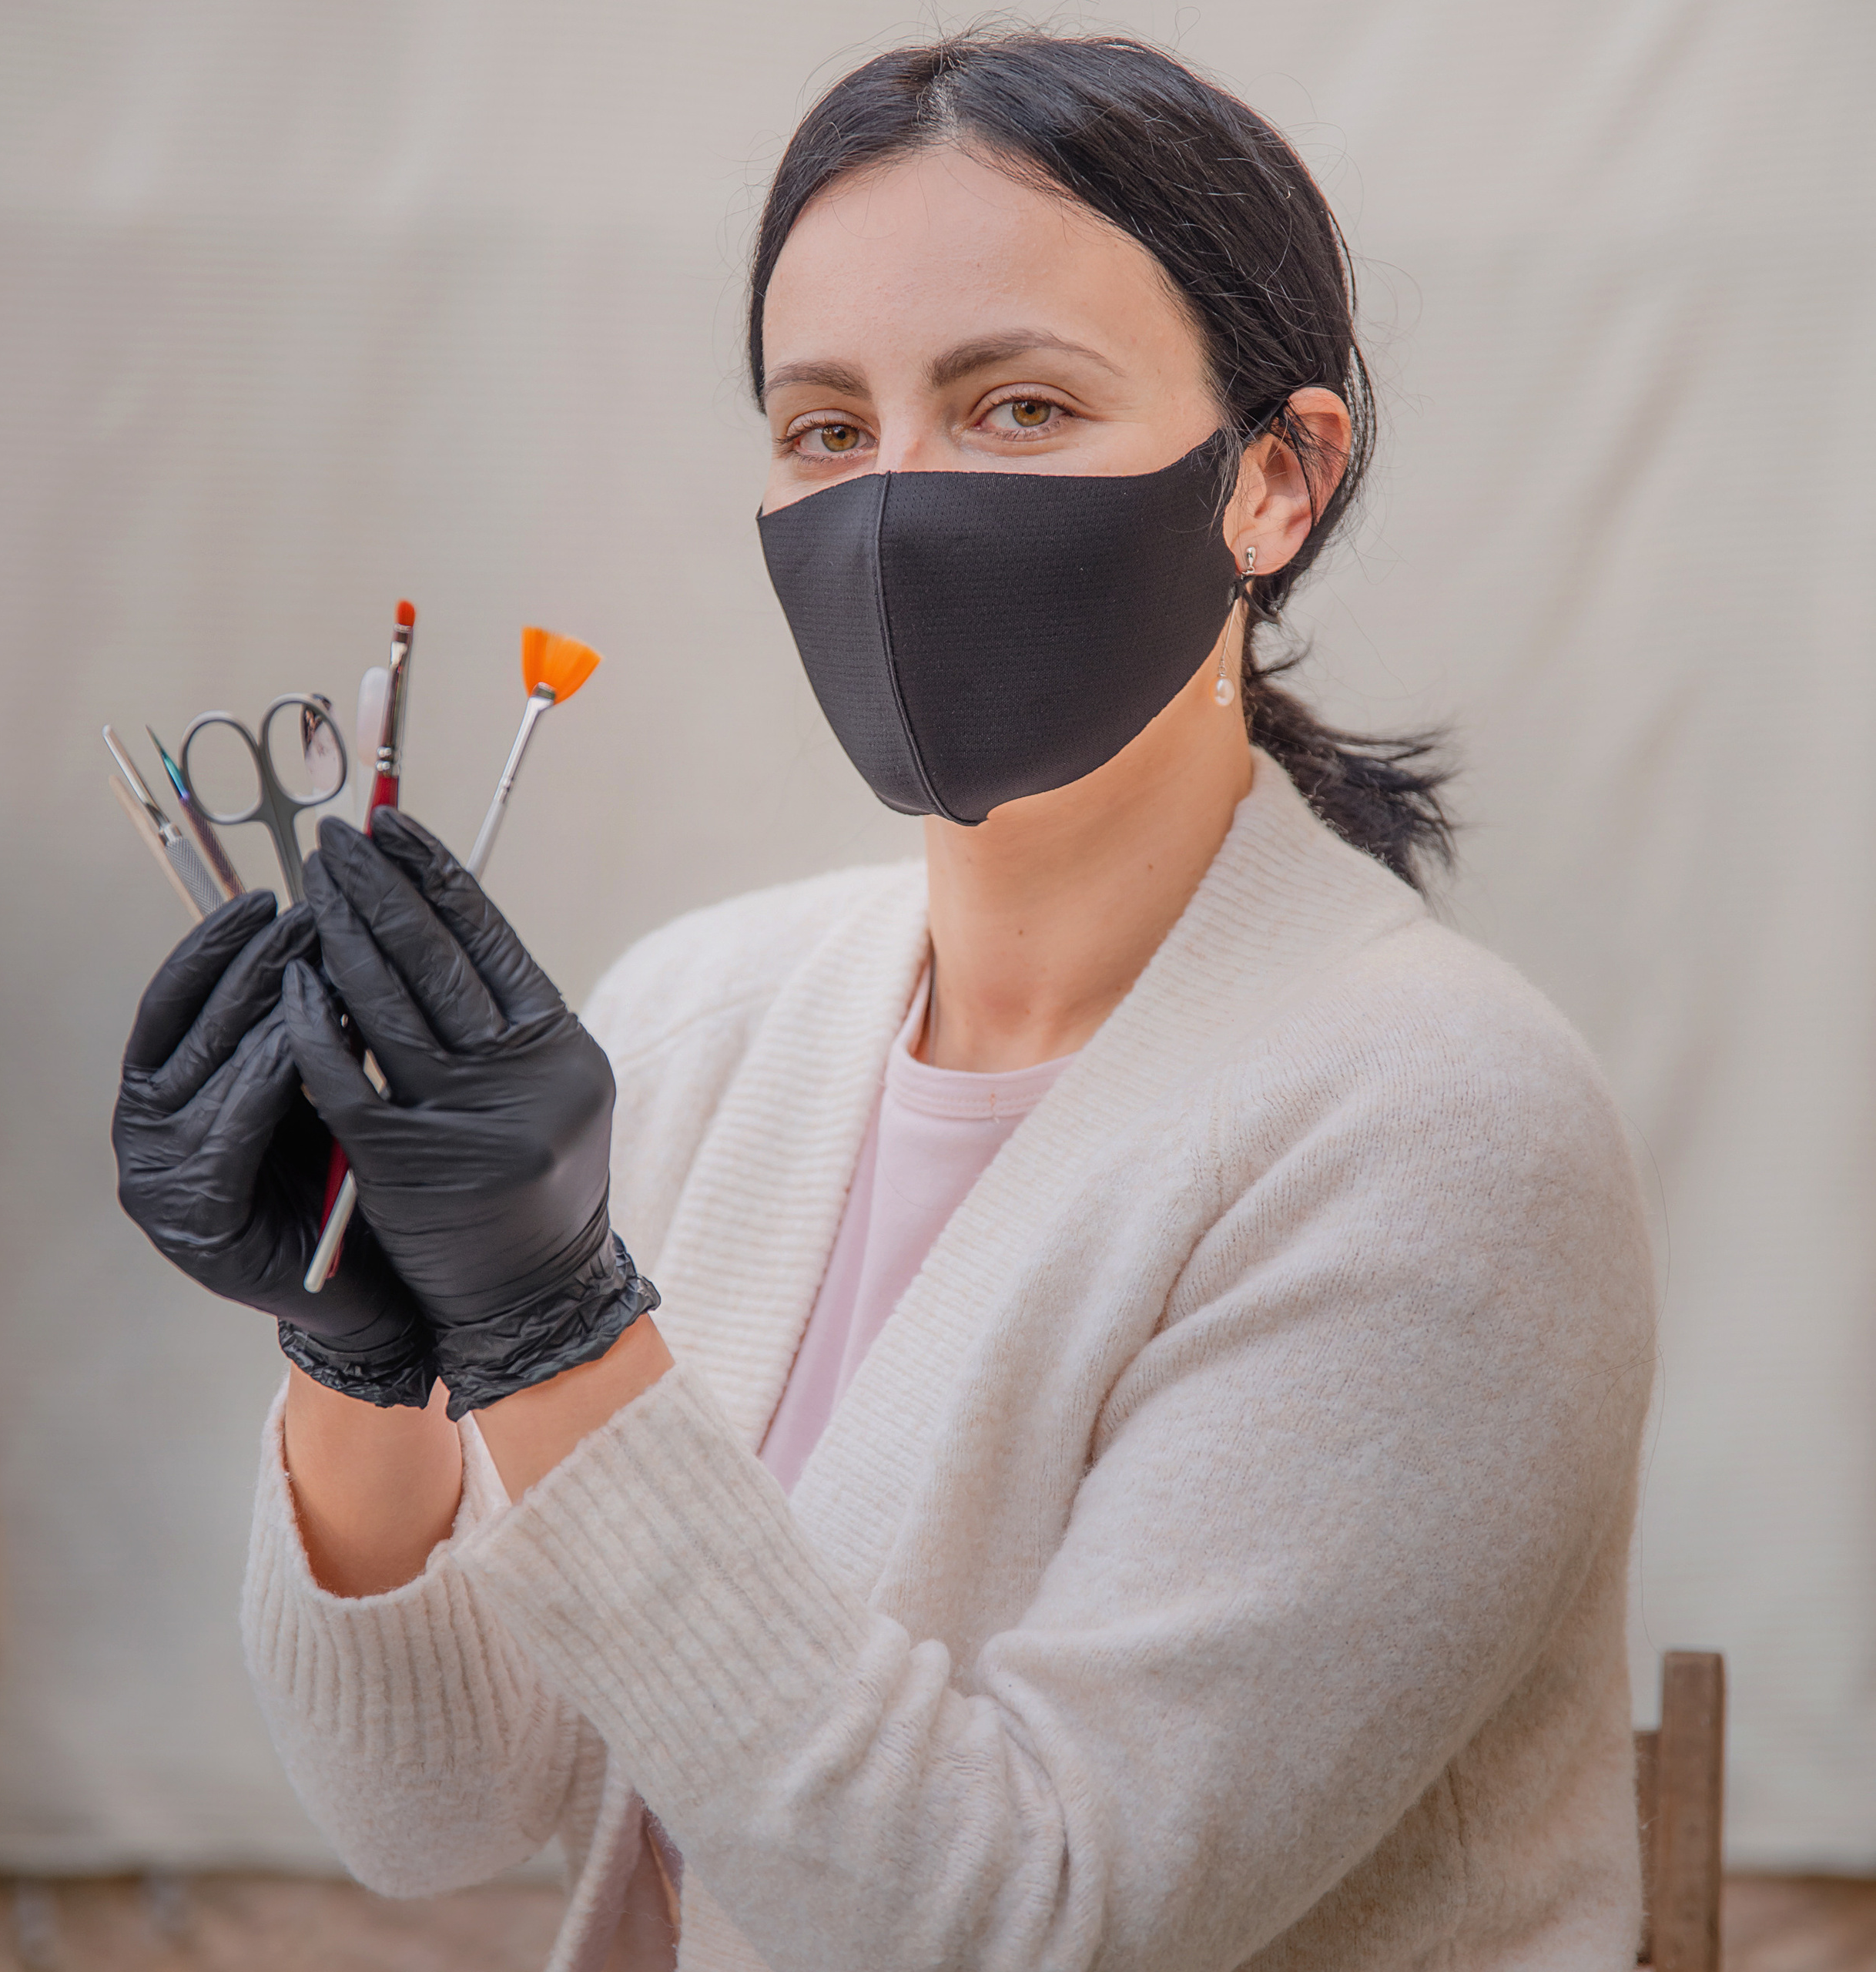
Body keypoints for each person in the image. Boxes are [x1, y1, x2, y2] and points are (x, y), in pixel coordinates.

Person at [112, 29, 1656, 1972]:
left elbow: (1015, 1920)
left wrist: (555, 1327)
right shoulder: (701, 1020)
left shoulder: (1437, 1126)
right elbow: (429, 1812)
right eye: (826, 427)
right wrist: (370, 1359)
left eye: (1016, 406)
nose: (897, 502)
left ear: (1277, 475)